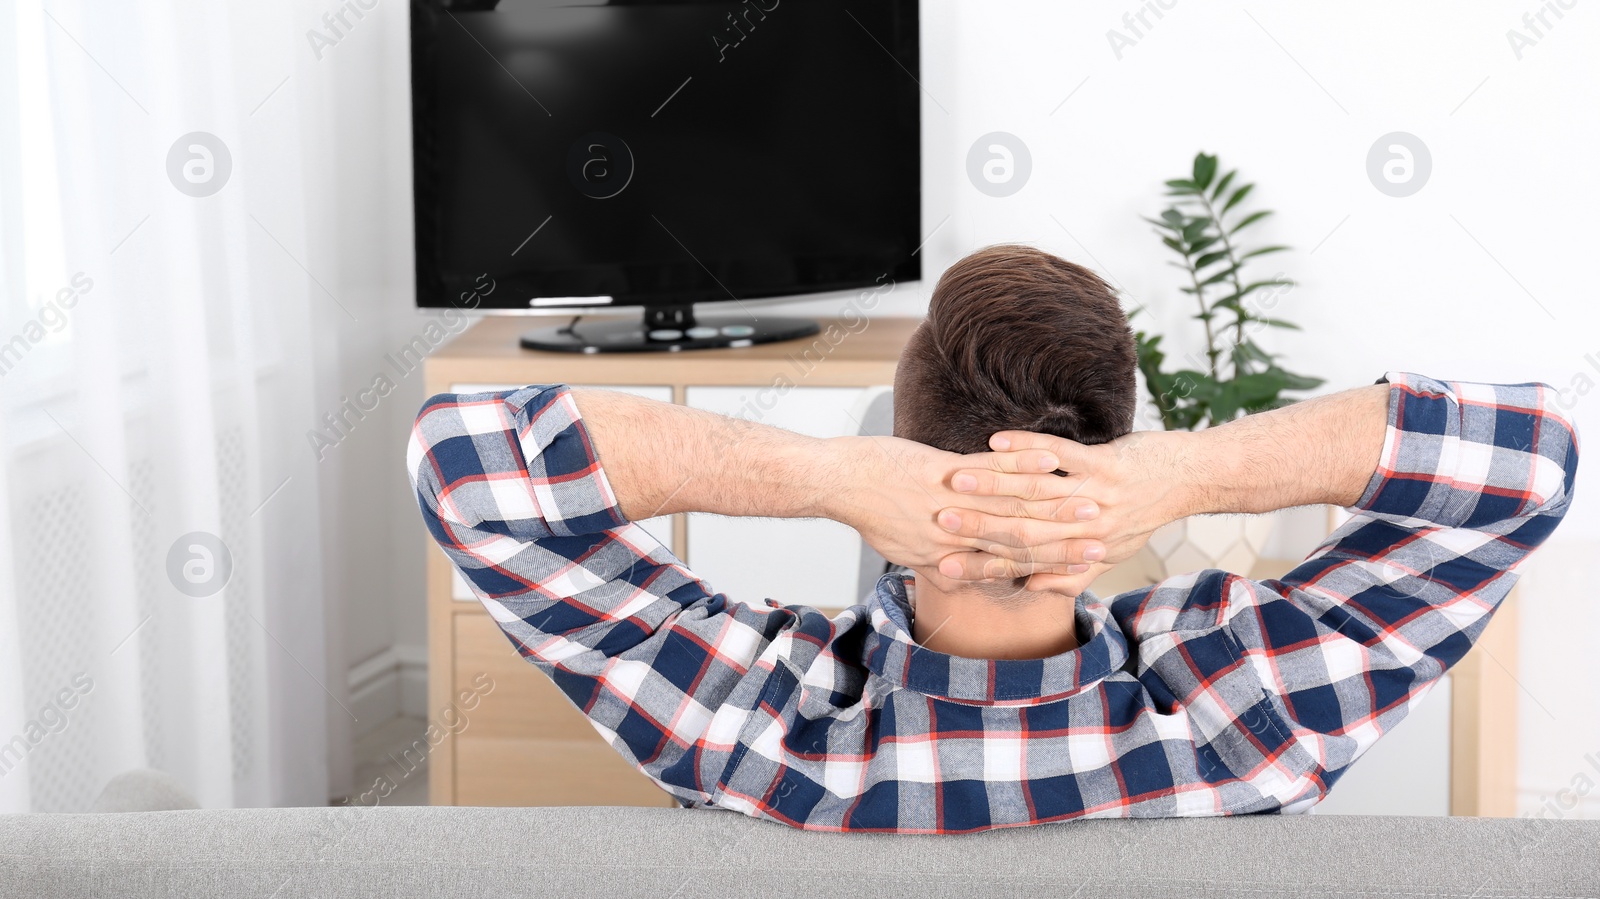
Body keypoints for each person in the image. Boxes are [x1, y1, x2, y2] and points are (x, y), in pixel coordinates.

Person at [408, 245, 1578, 832]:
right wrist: (1180, 472)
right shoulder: (1251, 714)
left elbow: (462, 456)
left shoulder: (744, 722)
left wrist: (820, 475)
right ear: (1116, 438)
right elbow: (1533, 455)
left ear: (905, 442)